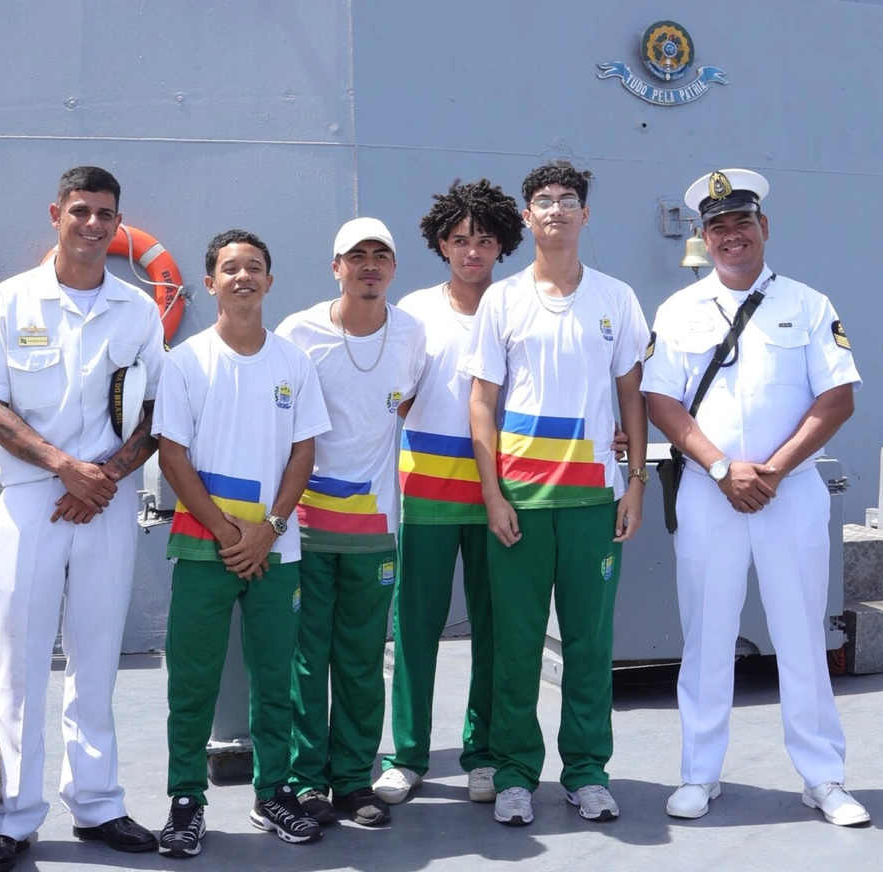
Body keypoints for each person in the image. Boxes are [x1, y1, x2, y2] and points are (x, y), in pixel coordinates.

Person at [0, 166, 164, 872]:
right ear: (56, 214)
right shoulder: (10, 301)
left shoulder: (137, 311)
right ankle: (12, 814)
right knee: (20, 663)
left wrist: (100, 479)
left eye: (105, 214)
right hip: (30, 500)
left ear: (117, 222)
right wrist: (64, 467)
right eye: (81, 211)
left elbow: (155, 414)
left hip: (106, 502)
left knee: (98, 657)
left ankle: (98, 804)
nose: (92, 225)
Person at [642, 168, 868, 827]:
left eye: (742, 222)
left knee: (802, 636)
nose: (731, 235)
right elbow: (660, 401)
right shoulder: (678, 312)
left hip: (789, 494)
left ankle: (823, 777)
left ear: (763, 227)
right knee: (706, 638)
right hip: (709, 494)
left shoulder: (809, 304)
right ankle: (699, 774)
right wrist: (721, 469)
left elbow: (838, 397)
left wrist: (771, 470)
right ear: (703, 237)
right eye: (717, 227)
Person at [462, 160, 649, 827]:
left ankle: (587, 771)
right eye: (544, 200)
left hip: (594, 503)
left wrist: (636, 483)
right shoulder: (503, 300)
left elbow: (632, 396)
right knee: (515, 647)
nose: (557, 209)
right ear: (527, 216)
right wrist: (493, 495)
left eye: (569, 200)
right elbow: (481, 402)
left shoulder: (616, 298)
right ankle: (515, 774)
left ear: (585, 215)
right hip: (521, 503)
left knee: (589, 647)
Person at [153, 229, 332, 856]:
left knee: (275, 678)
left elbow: (304, 451)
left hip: (276, 550)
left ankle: (273, 792)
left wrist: (270, 528)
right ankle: (185, 801)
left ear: (269, 280)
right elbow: (173, 456)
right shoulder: (185, 361)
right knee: (192, 682)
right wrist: (231, 533)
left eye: (254, 267)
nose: (243, 277)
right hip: (205, 548)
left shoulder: (293, 363)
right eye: (230, 268)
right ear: (210, 283)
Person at [373, 179, 524, 807]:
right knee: (415, 627)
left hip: (504, 493)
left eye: (484, 240)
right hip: (426, 491)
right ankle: (407, 755)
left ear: (502, 245)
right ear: (441, 244)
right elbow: (396, 398)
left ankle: (482, 755)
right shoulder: (414, 312)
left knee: (495, 628)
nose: (472, 251)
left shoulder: (518, 305)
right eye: (460, 239)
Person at [276, 217, 426, 827]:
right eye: (356, 255)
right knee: (307, 657)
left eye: (380, 255)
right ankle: (306, 779)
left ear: (393, 267)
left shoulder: (411, 333)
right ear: (336, 267)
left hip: (373, 527)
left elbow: (407, 405)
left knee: (363, 659)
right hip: (305, 524)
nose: (369, 264)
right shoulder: (299, 332)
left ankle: (353, 779)